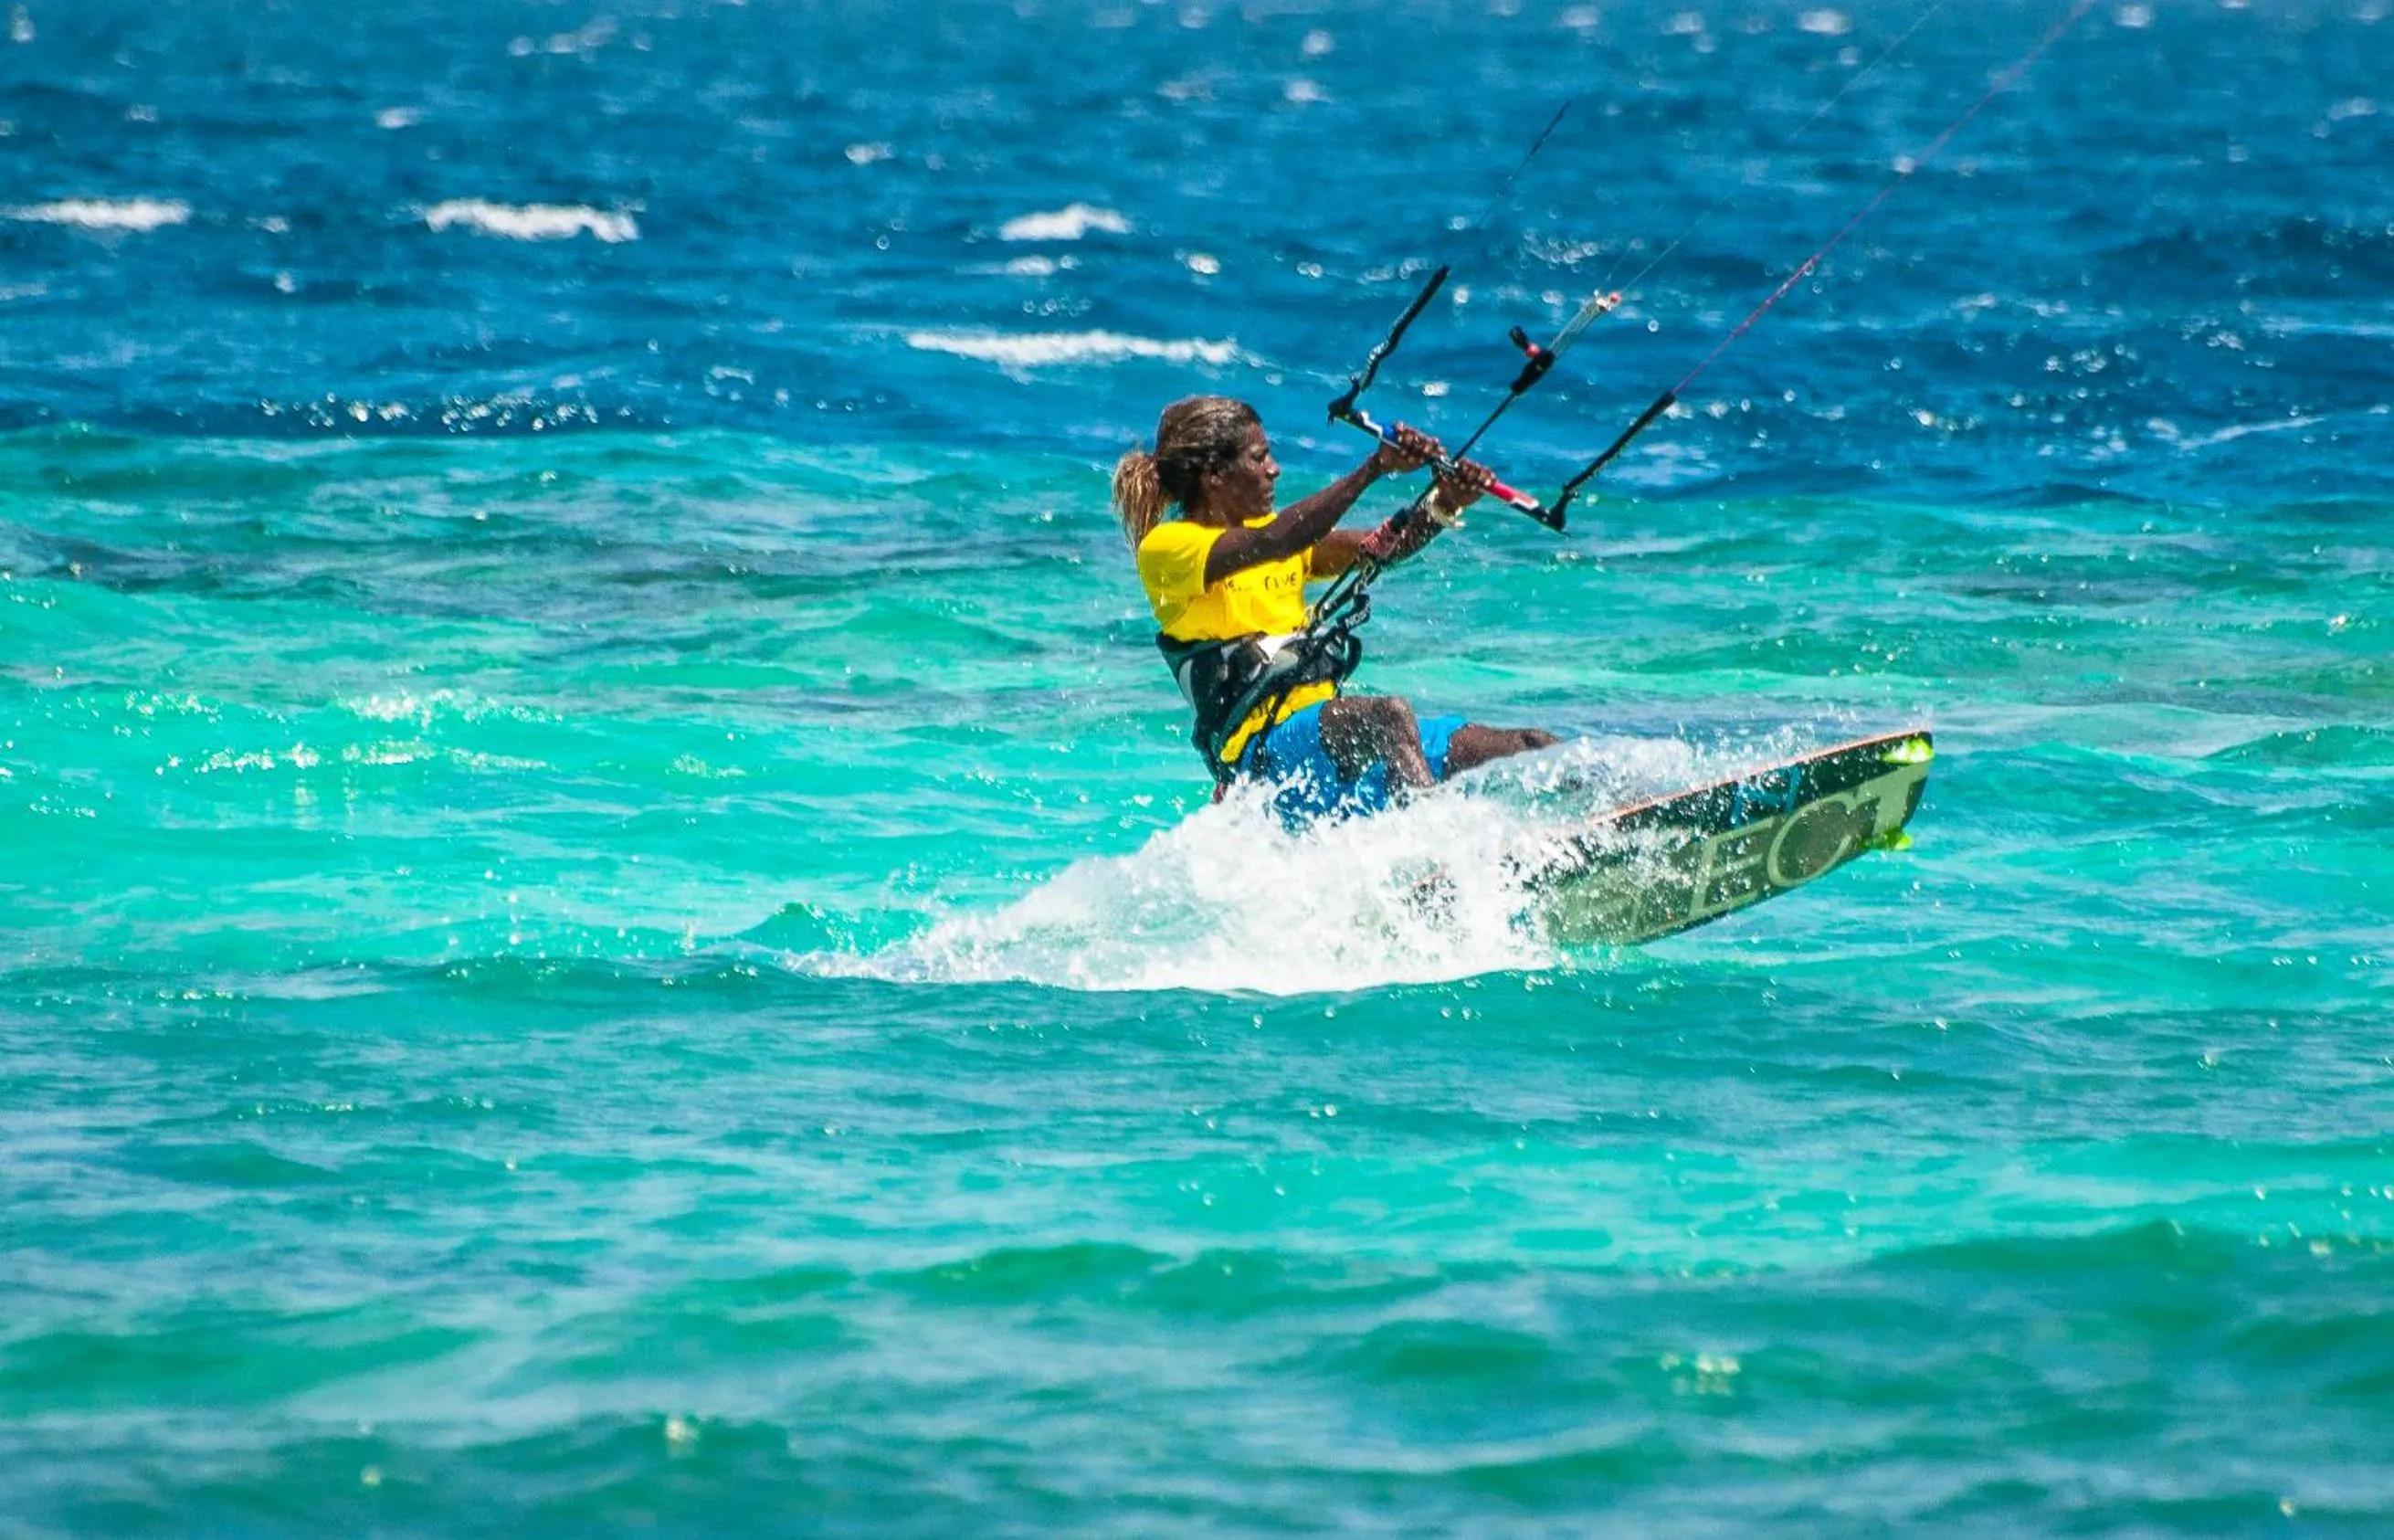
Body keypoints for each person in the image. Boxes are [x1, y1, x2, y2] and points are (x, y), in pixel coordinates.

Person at [1113, 395, 1556, 823]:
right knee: (1389, 717)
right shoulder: (1168, 549)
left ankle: (1611, 821)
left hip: (1333, 740)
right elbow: (1278, 540)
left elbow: (1386, 549)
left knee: (1529, 745)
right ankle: (1431, 856)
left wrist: (1446, 502)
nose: (1274, 469)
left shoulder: (1274, 536)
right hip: (1263, 757)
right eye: (1259, 457)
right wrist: (1374, 468)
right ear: (1214, 475)